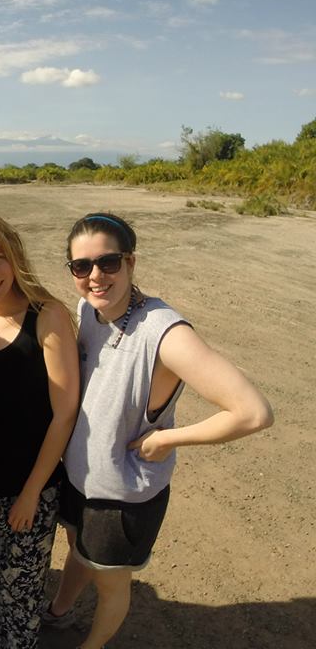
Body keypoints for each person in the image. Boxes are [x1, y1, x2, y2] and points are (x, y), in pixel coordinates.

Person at [44, 212, 274, 649]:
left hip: (120, 498)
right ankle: (58, 609)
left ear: (130, 262)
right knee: (79, 551)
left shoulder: (164, 332)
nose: (95, 276)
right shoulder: (89, 312)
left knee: (112, 584)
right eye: (81, 266)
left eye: (108, 263)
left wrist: (168, 437)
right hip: (79, 477)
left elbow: (253, 411)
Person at [0, 213, 80, 648]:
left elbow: (64, 414)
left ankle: (11, 625)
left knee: (18, 623)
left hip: (30, 488)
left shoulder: (48, 315)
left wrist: (31, 492)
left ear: (15, 257)